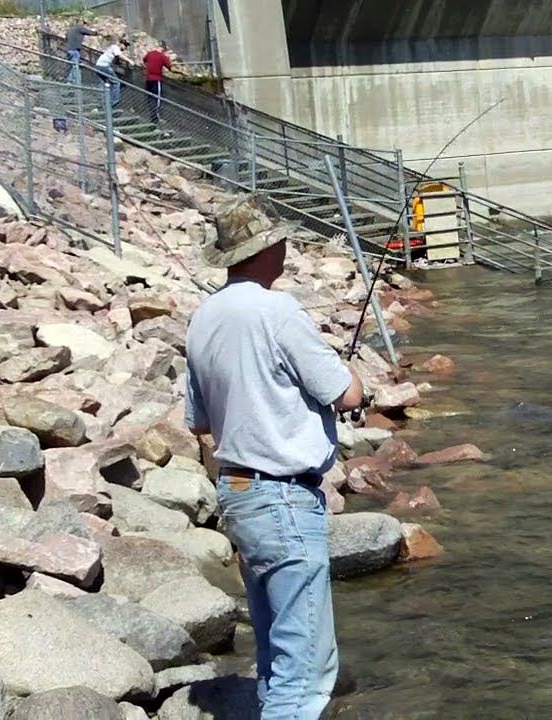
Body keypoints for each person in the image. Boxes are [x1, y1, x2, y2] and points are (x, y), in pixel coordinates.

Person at [185, 207, 364, 719]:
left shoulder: (203, 318)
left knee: (274, 658)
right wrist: (354, 382)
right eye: (280, 241)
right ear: (266, 250)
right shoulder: (277, 310)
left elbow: (198, 421)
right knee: (304, 676)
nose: (285, 248)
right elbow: (346, 394)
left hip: (237, 493)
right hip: (284, 496)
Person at [142, 40, 173, 123]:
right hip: (156, 79)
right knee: (157, 98)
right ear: (163, 48)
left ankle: (152, 114)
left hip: (148, 79)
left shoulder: (150, 54)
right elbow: (169, 67)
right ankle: (155, 117)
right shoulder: (162, 56)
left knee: (150, 98)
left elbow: (144, 60)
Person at [95, 37, 130, 105]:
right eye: (125, 46)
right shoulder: (115, 48)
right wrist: (130, 61)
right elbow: (119, 55)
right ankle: (114, 101)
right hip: (104, 66)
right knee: (116, 82)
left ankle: (102, 101)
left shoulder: (112, 47)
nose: (125, 48)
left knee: (103, 82)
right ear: (121, 44)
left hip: (98, 65)